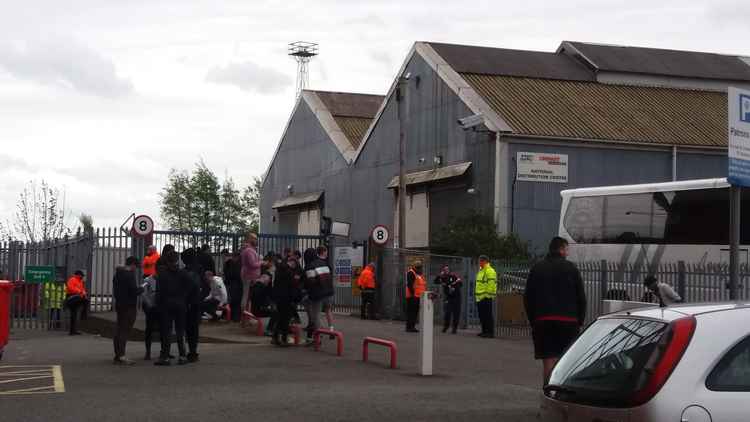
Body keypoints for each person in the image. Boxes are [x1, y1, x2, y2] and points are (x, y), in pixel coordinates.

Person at [524, 237, 586, 385]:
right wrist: (580, 320)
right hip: (569, 322)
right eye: (567, 249)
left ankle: (548, 392)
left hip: (543, 321)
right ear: (562, 249)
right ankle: (563, 394)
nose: (568, 253)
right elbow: (581, 298)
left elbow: (528, 297)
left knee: (548, 361)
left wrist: (533, 320)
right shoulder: (572, 269)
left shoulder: (537, 268)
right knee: (566, 361)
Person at [154, 251, 190, 366]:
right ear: (177, 260)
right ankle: (183, 356)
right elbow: (191, 287)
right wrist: (184, 299)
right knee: (180, 330)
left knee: (166, 331)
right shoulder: (183, 273)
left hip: (166, 305)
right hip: (180, 304)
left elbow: (159, 292)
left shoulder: (162, 275)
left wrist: (157, 304)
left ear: (167, 261)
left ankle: (165, 357)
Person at [112, 256, 143, 365]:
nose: (136, 269)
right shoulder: (129, 275)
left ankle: (117, 355)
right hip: (129, 306)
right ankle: (122, 356)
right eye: (136, 266)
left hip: (120, 305)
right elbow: (134, 291)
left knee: (119, 330)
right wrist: (142, 288)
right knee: (124, 331)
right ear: (132, 264)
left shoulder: (117, 274)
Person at [303, 245, 335, 342]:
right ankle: (331, 329)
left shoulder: (309, 266)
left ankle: (318, 337)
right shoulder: (324, 263)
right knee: (328, 310)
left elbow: (311, 282)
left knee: (315, 315)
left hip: (318, 294)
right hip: (329, 292)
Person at [271, 255, 300, 347]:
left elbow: (275, 284)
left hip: (279, 297)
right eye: (295, 265)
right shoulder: (289, 272)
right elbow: (291, 286)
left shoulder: (279, 269)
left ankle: (275, 337)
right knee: (285, 319)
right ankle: (283, 338)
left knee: (280, 317)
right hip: (287, 298)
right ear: (293, 263)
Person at [181, 247, 203, 363]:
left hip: (188, 304)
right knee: (194, 329)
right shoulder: (198, 270)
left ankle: (186, 352)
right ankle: (193, 351)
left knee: (187, 328)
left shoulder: (186, 272)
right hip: (195, 303)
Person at [435, 265, 462, 334]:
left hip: (456, 297)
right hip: (448, 297)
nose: (446, 270)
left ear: (449, 270)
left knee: (456, 313)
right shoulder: (442, 277)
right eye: (444, 269)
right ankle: (446, 326)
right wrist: (439, 275)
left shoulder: (454, 276)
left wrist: (454, 287)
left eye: (447, 269)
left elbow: (460, 283)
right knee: (447, 313)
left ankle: (454, 328)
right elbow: (435, 281)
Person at [475, 255, 497, 338]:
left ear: (484, 261)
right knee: (482, 315)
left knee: (487, 315)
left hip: (486, 297)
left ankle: (490, 332)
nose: (479, 263)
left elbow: (491, 284)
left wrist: (487, 295)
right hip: (480, 297)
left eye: (480, 261)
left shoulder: (490, 271)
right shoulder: (481, 271)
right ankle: (484, 331)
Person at [141, 272, 160, 360]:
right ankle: (148, 352)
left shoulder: (164, 278)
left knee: (164, 329)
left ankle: (164, 351)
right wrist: (150, 305)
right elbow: (144, 295)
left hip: (160, 307)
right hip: (151, 308)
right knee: (149, 329)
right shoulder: (147, 280)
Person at [241, 234, 262, 312]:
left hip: (250, 276)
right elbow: (252, 264)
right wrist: (261, 262)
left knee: (247, 297)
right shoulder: (249, 250)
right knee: (246, 297)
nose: (256, 240)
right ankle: (244, 317)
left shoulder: (250, 249)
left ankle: (246, 317)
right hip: (248, 276)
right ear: (250, 239)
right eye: (255, 239)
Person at [65, 270, 88, 336]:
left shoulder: (80, 281)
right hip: (72, 297)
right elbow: (70, 287)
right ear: (78, 275)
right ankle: (72, 331)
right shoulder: (72, 279)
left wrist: (83, 293)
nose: (82, 277)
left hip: (77, 297)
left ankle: (73, 331)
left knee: (74, 314)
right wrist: (79, 291)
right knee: (73, 314)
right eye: (82, 275)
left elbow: (82, 289)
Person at [405, 261, 426, 333]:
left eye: (420, 267)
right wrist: (413, 294)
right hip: (412, 296)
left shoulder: (419, 274)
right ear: (415, 267)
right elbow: (410, 285)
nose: (420, 269)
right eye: (419, 267)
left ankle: (412, 326)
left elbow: (421, 285)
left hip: (417, 296)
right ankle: (409, 327)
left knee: (415, 312)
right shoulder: (411, 273)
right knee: (411, 312)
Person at [222, 250, 243, 322]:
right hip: (236, 284)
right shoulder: (237, 263)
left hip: (234, 284)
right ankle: (235, 317)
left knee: (234, 301)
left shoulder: (234, 264)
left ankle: (235, 317)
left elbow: (230, 274)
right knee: (235, 301)